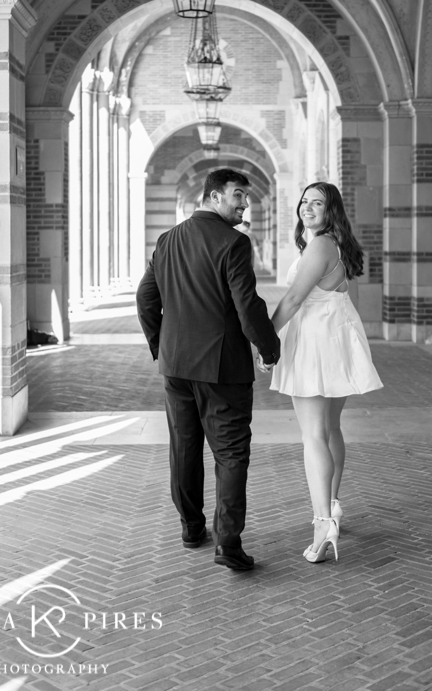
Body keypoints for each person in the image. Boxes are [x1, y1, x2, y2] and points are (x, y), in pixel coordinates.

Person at [136, 169, 280, 572]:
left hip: (176, 367)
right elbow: (247, 305)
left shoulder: (167, 240)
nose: (244, 204)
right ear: (214, 197)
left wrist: (161, 347)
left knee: (183, 447)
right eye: (238, 195)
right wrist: (269, 349)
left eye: (246, 197)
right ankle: (228, 544)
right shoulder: (234, 243)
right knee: (231, 454)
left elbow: (146, 299)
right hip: (223, 370)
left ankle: (191, 528)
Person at [268, 181, 383, 564]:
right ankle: (332, 505)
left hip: (316, 342)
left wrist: (265, 340)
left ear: (331, 209)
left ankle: (322, 523)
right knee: (331, 428)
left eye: (317, 203)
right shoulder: (332, 243)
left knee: (313, 434)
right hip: (335, 337)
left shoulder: (319, 245)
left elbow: (293, 298)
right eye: (304, 201)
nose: (307, 208)